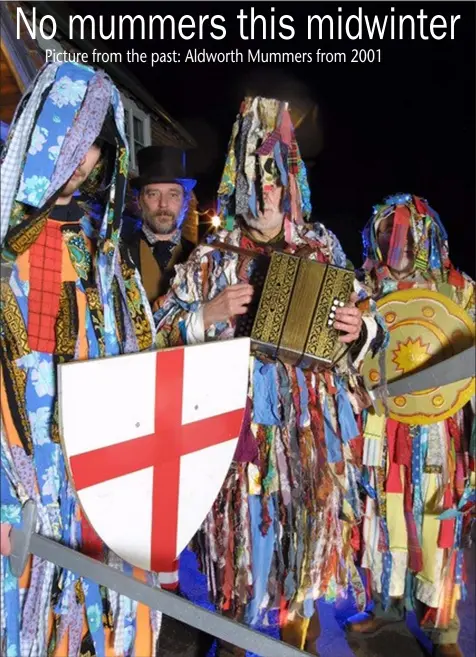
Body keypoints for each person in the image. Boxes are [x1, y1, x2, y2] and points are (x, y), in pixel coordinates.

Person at [155, 96, 387, 656]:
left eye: (274, 183)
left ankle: (297, 644)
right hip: (236, 446)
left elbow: (372, 320)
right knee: (237, 553)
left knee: (304, 551)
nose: (264, 196)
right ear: (236, 184)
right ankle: (233, 643)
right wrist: (205, 316)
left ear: (290, 186)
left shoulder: (322, 249)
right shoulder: (211, 257)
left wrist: (361, 328)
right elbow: (157, 328)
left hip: (309, 444)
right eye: (254, 183)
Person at [0, 61, 198, 657]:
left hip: (92, 485)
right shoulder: (7, 256)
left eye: (92, 144)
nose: (81, 159)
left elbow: (136, 356)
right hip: (20, 490)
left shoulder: (104, 258)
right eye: (69, 139)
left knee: (90, 622)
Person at [347, 193, 475, 657]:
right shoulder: (361, 291)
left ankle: (444, 630)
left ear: (426, 234)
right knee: (383, 516)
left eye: (402, 230)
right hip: (382, 427)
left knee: (436, 523)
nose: (393, 240)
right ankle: (385, 606)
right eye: (385, 231)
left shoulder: (458, 290)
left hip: (439, 430)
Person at [122, 145, 198, 308]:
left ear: (185, 203)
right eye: (153, 194)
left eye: (173, 195)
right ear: (140, 201)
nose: (163, 204)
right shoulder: (117, 253)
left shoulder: (200, 256)